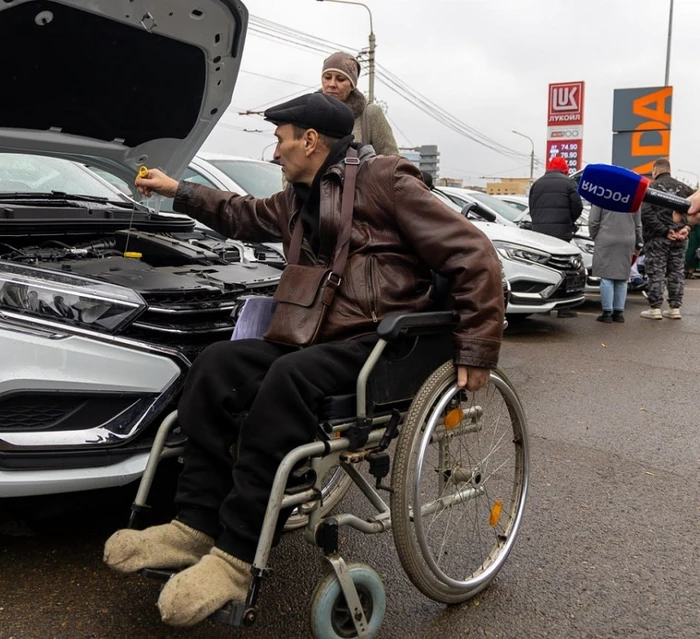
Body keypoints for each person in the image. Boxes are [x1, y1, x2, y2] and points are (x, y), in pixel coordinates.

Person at [102, 93, 505, 628]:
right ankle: (194, 524)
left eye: (280, 137)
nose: (275, 150)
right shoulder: (298, 196)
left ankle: (235, 556)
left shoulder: (386, 181)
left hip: (379, 345)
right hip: (313, 335)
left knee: (287, 380)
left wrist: (477, 346)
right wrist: (179, 191)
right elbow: (240, 215)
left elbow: (473, 254)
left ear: (310, 140)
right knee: (214, 365)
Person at [527, 155, 585, 317]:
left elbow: (532, 207)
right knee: (565, 268)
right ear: (565, 169)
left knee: (543, 267)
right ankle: (563, 308)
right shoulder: (569, 183)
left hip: (539, 233)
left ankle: (543, 305)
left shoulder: (537, 184)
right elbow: (577, 207)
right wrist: (569, 222)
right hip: (561, 234)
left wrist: (538, 223)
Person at [639, 158, 696, 320]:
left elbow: (646, 214)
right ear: (669, 170)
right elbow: (694, 212)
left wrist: (665, 231)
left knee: (656, 271)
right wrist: (686, 228)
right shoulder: (685, 188)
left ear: (655, 171)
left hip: (658, 238)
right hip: (681, 237)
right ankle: (674, 308)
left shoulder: (651, 189)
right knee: (676, 272)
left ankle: (655, 308)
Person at [320, 51, 398, 156]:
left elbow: (392, 161)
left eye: (340, 79)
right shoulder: (308, 112)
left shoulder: (370, 114)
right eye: (327, 77)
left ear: (352, 85)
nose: (332, 84)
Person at [588, 204, 643, 323]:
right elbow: (638, 224)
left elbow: (593, 221)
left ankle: (607, 312)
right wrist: (639, 241)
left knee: (606, 277)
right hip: (627, 239)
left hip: (606, 237)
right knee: (622, 277)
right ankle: (619, 313)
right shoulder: (633, 199)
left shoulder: (602, 197)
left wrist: (594, 236)